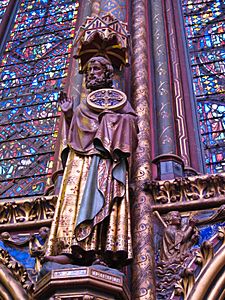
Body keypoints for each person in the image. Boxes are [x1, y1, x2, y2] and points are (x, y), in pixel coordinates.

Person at [45, 56, 138, 268]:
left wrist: (110, 119)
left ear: (107, 73)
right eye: (88, 70)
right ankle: (71, 251)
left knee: (101, 200)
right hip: (82, 162)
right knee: (78, 203)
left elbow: (132, 125)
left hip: (105, 159)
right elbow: (75, 137)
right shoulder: (83, 106)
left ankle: (101, 252)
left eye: (95, 69)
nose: (91, 73)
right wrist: (69, 115)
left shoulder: (118, 101)